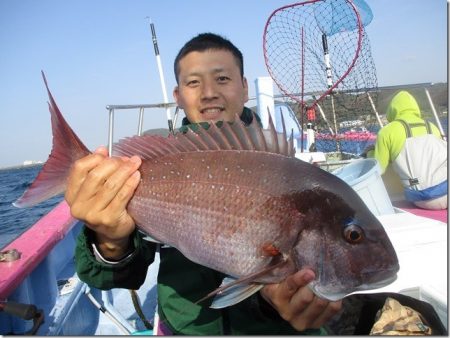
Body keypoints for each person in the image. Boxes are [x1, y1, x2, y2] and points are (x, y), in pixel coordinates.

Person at [67, 33, 342, 335]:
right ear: (178, 95)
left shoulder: (284, 169)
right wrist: (109, 241)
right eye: (194, 82)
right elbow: (120, 277)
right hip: (185, 328)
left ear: (245, 87)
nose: (209, 92)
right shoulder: (156, 166)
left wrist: (298, 301)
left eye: (222, 78)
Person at [366, 90, 447, 210]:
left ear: (392, 110)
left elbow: (379, 169)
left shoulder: (387, 132)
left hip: (425, 200)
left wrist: (370, 153)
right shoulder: (431, 126)